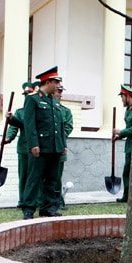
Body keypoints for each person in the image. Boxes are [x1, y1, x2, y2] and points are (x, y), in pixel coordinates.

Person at [21, 66, 67, 220]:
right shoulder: (32, 99)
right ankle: (28, 209)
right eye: (56, 82)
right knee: (34, 178)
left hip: (54, 147)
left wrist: (63, 144)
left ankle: (47, 208)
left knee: (52, 179)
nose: (58, 86)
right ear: (48, 82)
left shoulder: (53, 101)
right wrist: (33, 144)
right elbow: (29, 124)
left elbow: (59, 125)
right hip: (39, 148)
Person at [5, 82, 34, 208]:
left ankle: (35, 201)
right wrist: (8, 137)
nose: (27, 96)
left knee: (35, 176)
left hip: (37, 148)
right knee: (24, 176)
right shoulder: (20, 112)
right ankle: (22, 200)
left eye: (29, 94)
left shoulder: (37, 110)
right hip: (23, 148)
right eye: (25, 94)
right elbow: (14, 126)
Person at [53, 81, 73, 210]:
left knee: (56, 177)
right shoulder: (45, 108)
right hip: (45, 149)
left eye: (61, 92)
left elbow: (68, 127)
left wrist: (58, 138)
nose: (61, 94)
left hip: (59, 148)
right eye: (58, 92)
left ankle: (58, 202)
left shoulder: (65, 111)